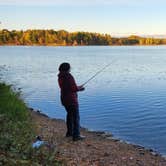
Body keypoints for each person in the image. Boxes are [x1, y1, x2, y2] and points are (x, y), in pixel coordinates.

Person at [58, 62, 85, 141]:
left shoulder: (60, 76)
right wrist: (80, 89)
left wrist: (77, 87)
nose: (70, 68)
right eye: (70, 67)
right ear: (67, 68)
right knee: (76, 117)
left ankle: (69, 133)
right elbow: (73, 89)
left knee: (70, 116)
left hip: (64, 99)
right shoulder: (69, 76)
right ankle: (76, 136)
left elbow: (68, 87)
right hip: (71, 100)